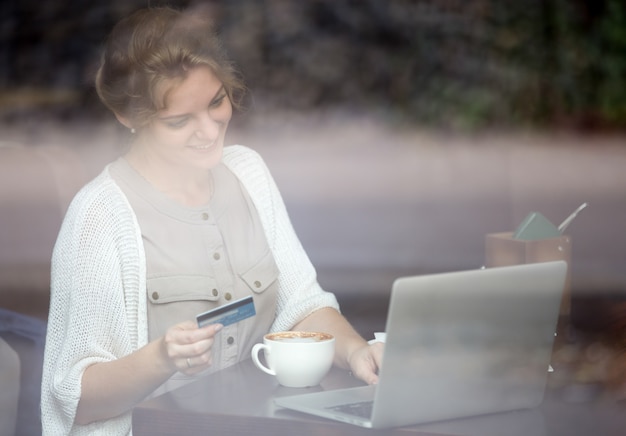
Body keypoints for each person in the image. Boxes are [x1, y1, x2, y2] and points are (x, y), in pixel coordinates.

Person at [41, 6, 383, 435]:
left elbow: (303, 307)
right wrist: (161, 358)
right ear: (128, 118)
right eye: (179, 120)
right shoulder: (99, 217)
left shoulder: (249, 173)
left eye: (216, 102)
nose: (209, 130)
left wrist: (355, 352)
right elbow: (75, 400)